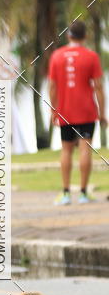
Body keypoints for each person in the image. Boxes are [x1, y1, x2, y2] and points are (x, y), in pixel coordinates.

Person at [48, 19, 106, 205]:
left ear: (68, 35)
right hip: (87, 111)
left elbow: (52, 86)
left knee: (65, 149)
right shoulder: (91, 56)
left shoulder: (57, 56)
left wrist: (53, 110)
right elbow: (98, 87)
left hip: (65, 110)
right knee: (85, 148)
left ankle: (65, 193)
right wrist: (102, 113)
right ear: (85, 36)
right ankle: (83, 193)